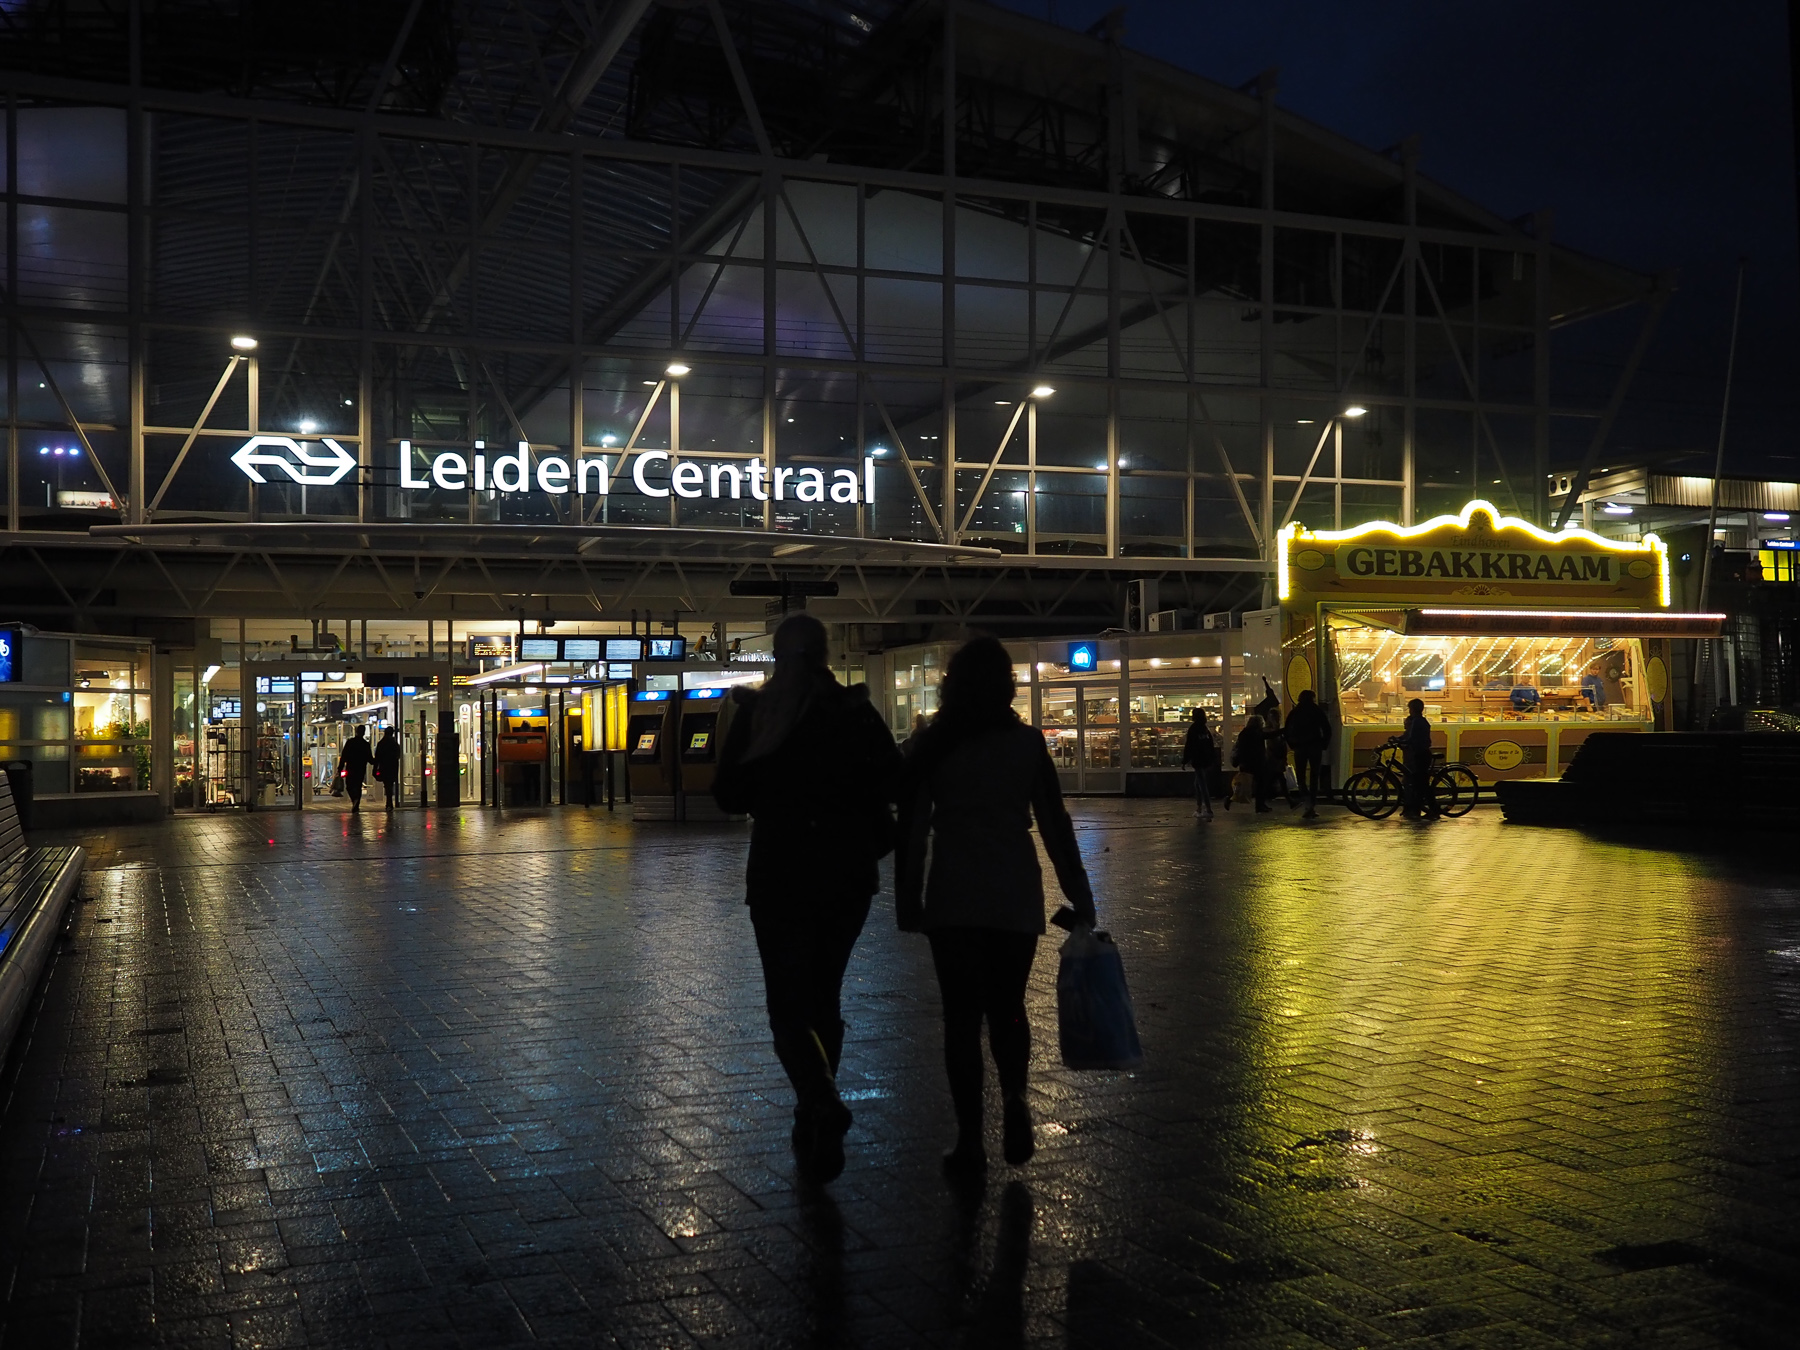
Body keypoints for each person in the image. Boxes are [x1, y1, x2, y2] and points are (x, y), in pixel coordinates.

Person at [714, 613, 902, 1184]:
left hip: (780, 876)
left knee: (786, 1007)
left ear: (776, 655)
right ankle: (813, 1111)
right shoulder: (856, 711)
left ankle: (819, 1103)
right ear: (826, 653)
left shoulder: (759, 713)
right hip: (846, 876)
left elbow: (726, 794)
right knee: (825, 998)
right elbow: (894, 779)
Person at [897, 637, 1096, 1176]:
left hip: (954, 894)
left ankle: (969, 1141)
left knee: (961, 1020)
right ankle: (1014, 1100)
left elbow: (912, 830)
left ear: (951, 685)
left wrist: (906, 897)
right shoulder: (1027, 745)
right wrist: (1081, 895)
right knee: (1008, 1007)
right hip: (1013, 891)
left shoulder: (933, 745)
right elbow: (1056, 828)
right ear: (1006, 686)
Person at [1283, 689, 1330, 819]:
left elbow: (1287, 729)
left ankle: (1306, 799)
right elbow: (1326, 728)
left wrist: (1292, 744)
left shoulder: (1295, 712)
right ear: (1312, 698)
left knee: (1301, 775)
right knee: (1315, 775)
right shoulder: (1316, 710)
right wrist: (1323, 744)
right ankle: (1312, 804)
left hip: (1300, 747)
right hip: (1315, 746)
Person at [1400, 697, 1439, 820]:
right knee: (1419, 784)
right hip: (1420, 754)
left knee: (1421, 784)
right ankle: (1417, 810)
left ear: (1413, 709)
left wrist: (1399, 740)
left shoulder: (1417, 721)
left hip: (1419, 756)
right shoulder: (1419, 720)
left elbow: (1411, 737)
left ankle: (1433, 810)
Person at [1180, 706, 1217, 821]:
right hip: (1206, 759)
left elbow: (1189, 746)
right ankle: (1199, 808)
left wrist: (1185, 761)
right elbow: (1211, 744)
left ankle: (1208, 809)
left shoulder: (1193, 729)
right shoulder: (1205, 729)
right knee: (1198, 783)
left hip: (1198, 760)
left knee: (1201, 784)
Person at [1228, 712, 1269, 812]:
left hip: (1247, 763)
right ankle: (1260, 805)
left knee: (1244, 785)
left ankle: (1230, 800)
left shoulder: (1245, 733)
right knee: (1259, 784)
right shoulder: (1257, 733)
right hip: (1256, 762)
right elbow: (1268, 736)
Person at [339, 725, 373, 810]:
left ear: (356, 731)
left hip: (350, 767)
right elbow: (370, 758)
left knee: (349, 785)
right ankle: (356, 801)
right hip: (361, 768)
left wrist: (340, 767)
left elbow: (344, 755)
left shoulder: (350, 742)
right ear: (364, 733)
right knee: (358, 785)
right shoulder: (365, 744)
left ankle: (354, 800)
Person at [373, 728, 401, 809]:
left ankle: (389, 802)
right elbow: (398, 755)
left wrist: (375, 768)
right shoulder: (394, 743)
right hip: (392, 766)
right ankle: (389, 802)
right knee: (390, 784)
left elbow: (377, 757)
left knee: (387, 784)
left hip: (384, 766)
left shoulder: (381, 743)